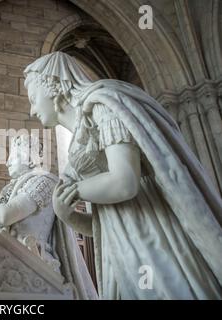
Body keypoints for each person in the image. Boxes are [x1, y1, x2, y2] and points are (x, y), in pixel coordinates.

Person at [23, 51, 222, 299]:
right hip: (118, 246)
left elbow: (125, 182)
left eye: (32, 98)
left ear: (51, 86)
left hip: (150, 228)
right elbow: (102, 223)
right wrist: (68, 214)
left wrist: (76, 191)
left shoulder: (104, 108)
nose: (31, 110)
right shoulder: (79, 142)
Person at [0, 134, 97, 299]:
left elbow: (5, 215)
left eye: (13, 156)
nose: (7, 162)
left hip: (35, 264)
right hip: (12, 263)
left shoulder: (44, 181)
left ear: (31, 158)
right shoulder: (14, 188)